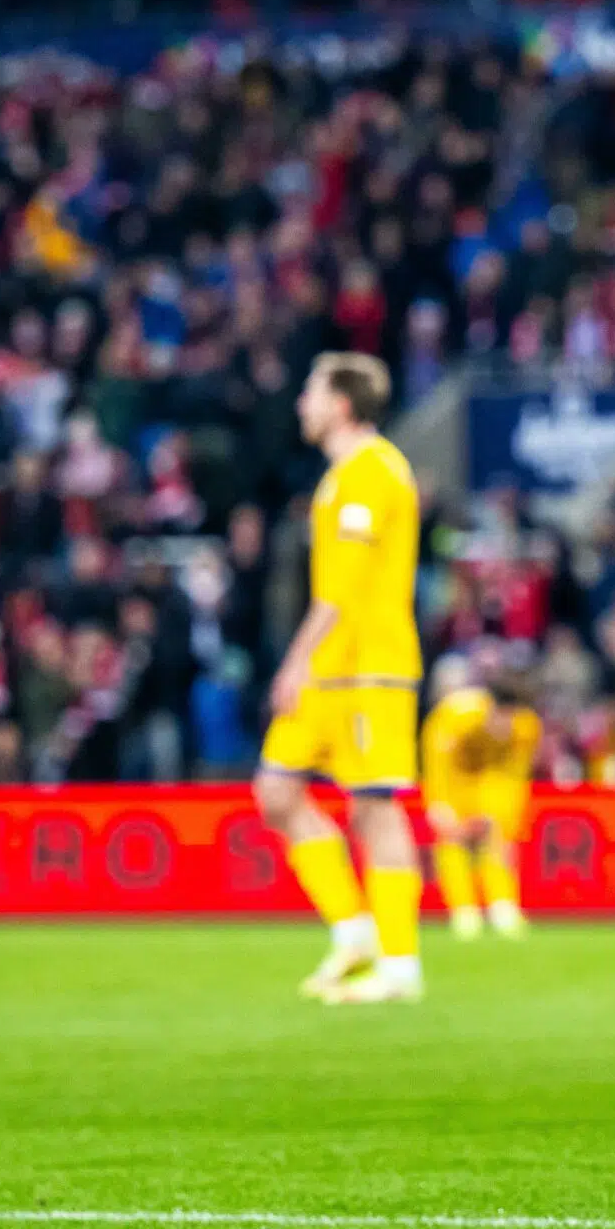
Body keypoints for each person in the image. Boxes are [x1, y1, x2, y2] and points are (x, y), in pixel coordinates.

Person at [251, 352, 427, 1005]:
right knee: (276, 790)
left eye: (311, 390)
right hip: (333, 669)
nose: (302, 401)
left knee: (374, 806)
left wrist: (295, 658)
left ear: (342, 404)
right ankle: (354, 932)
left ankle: (401, 966)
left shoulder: (372, 472)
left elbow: (343, 590)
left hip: (369, 668)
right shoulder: (340, 476)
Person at [420, 669, 541, 940]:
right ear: (491, 706)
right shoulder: (455, 716)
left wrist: (501, 813)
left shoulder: (526, 727)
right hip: (456, 778)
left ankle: (503, 907)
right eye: (502, 717)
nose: (506, 726)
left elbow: (513, 775)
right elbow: (438, 763)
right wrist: (440, 804)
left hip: (491, 780)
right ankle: (464, 912)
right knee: (451, 839)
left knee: (498, 838)